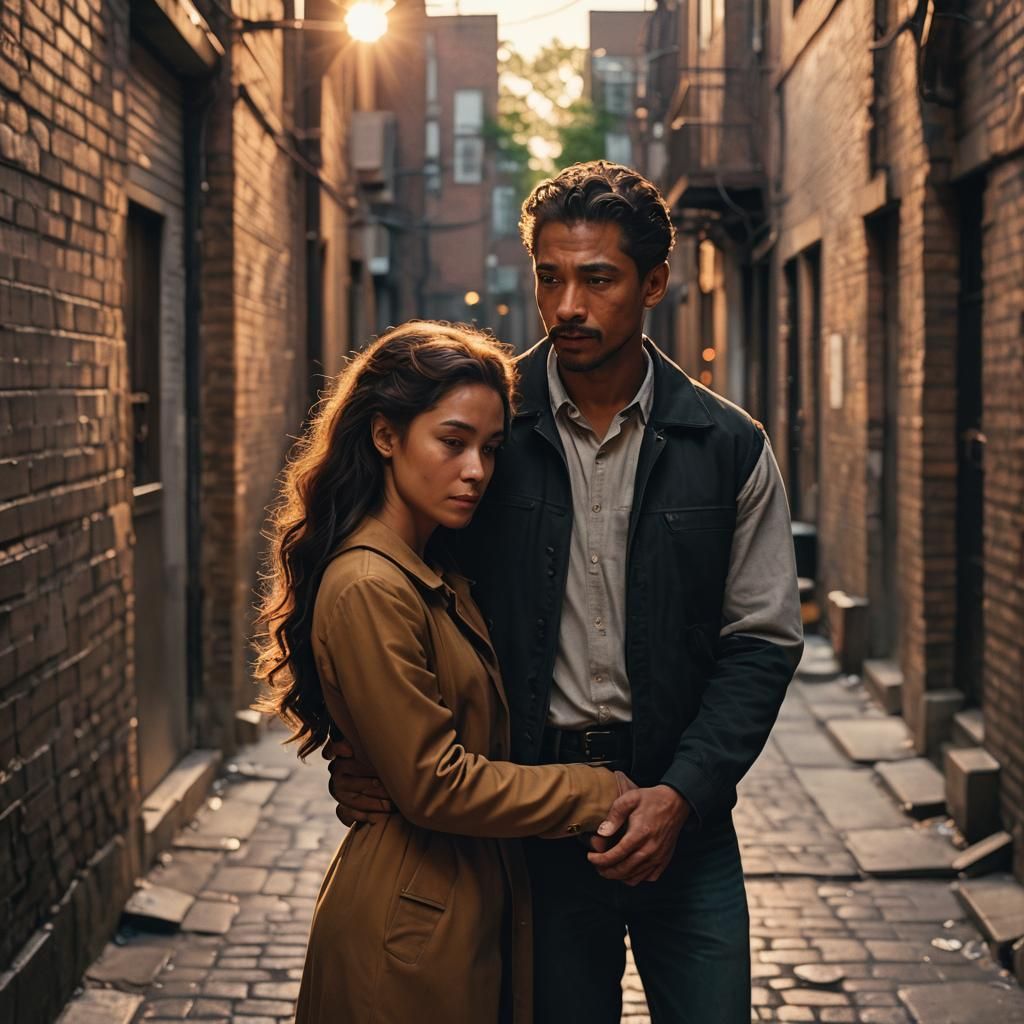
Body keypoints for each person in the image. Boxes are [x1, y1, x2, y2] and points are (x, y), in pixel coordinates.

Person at [328, 163, 804, 1023]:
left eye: (597, 278)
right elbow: (378, 583)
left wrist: (683, 794)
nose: (567, 305)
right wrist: (356, 748)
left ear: (654, 283)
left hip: (683, 820)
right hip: (529, 830)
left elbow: (762, 643)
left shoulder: (728, 446)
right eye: (551, 276)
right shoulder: (487, 433)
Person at [254, 322, 629, 1024]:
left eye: (489, 449)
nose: (476, 471)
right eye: (451, 443)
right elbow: (435, 782)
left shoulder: (432, 571)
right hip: (407, 929)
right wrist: (595, 789)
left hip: (459, 907)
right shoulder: (370, 584)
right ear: (386, 435)